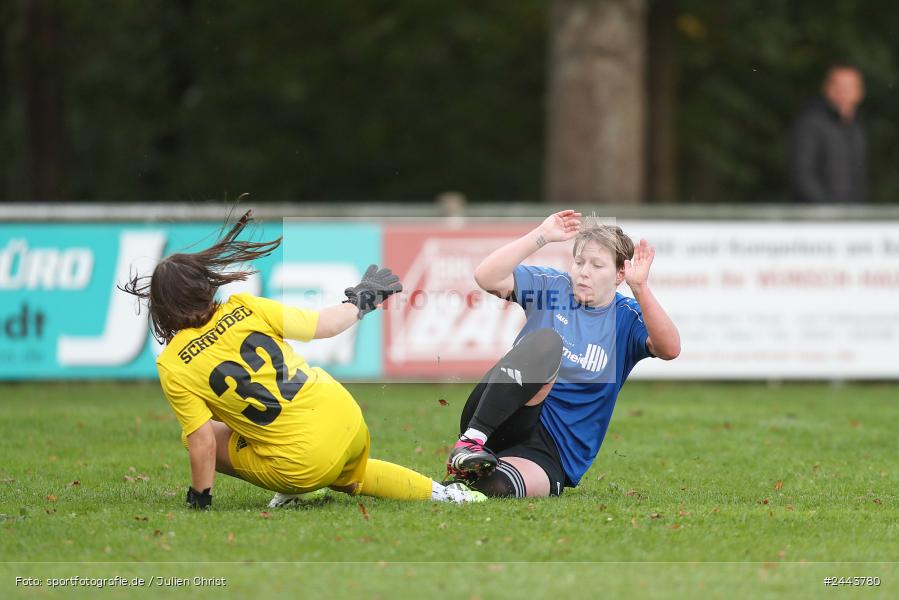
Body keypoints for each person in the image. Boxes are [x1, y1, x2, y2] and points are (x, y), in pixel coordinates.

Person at [121, 209, 485, 509]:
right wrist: (361, 299)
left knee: (202, 433)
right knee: (351, 477)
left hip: (303, 462)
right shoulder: (245, 306)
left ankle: (297, 486)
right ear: (207, 285)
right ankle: (444, 494)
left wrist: (199, 499)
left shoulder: (173, 362)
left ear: (162, 306)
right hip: (346, 416)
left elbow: (201, 441)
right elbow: (324, 326)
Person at [445, 210, 680, 497]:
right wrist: (541, 236)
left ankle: (457, 480)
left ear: (620, 274)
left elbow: (670, 349)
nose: (583, 271)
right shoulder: (552, 287)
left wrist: (640, 288)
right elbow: (486, 276)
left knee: (495, 489)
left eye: (597, 265)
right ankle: (471, 443)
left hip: (554, 448)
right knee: (547, 344)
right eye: (579, 261)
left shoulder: (626, 317)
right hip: (501, 416)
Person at [790, 63, 867, 204]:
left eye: (849, 87)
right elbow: (803, 176)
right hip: (819, 219)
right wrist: (827, 210)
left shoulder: (857, 128)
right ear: (828, 89)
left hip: (851, 217)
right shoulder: (810, 124)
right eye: (839, 86)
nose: (844, 92)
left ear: (859, 92)